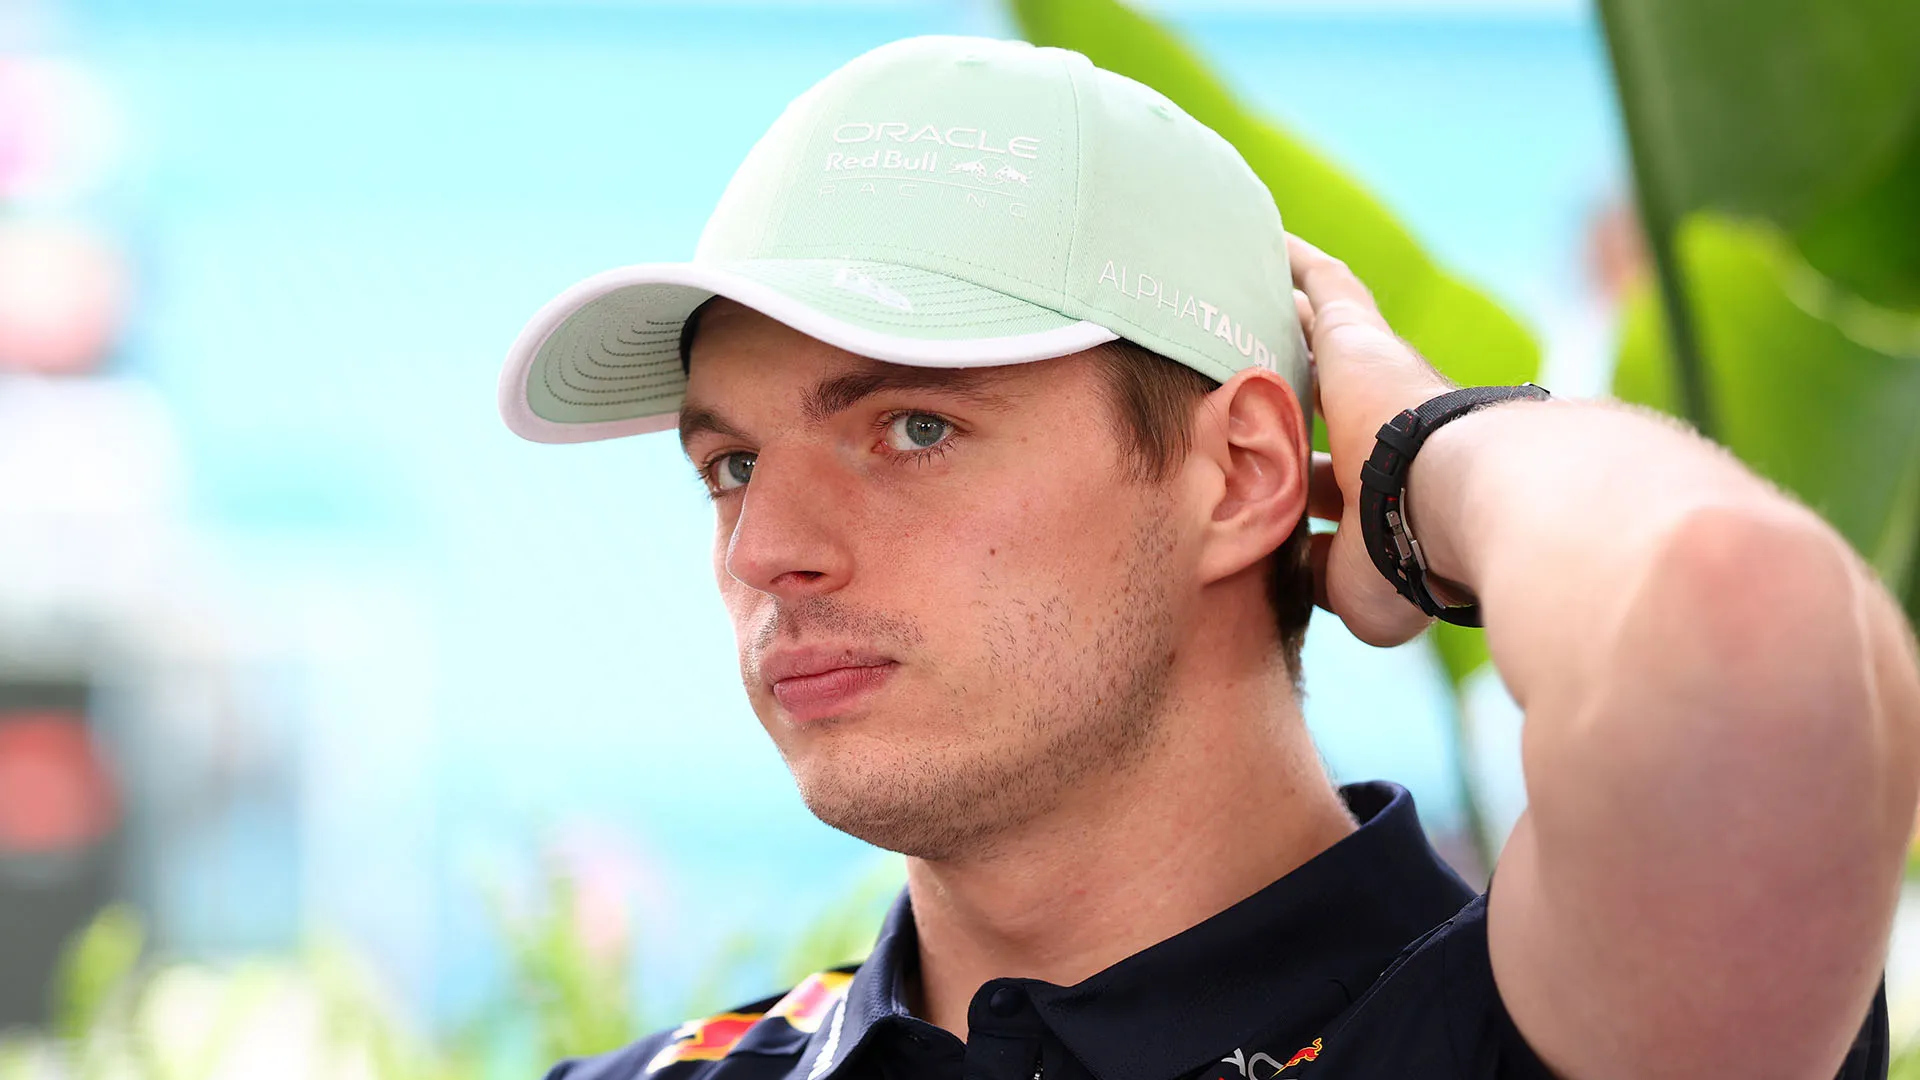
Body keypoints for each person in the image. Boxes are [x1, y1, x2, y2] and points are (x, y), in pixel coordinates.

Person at [496, 34, 1920, 1080]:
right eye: (732, 465)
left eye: (914, 428)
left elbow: (1746, 637)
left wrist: (1429, 460)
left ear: (1242, 474)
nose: (767, 550)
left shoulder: (1541, 1036)